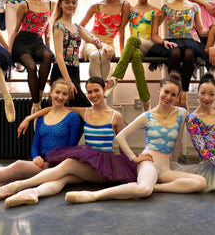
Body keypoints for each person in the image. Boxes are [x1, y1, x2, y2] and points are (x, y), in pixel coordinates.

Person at [0, 77, 139, 208]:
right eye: (90, 92)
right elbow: (54, 108)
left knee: (67, 164)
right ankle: (33, 193)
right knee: (63, 178)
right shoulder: (85, 111)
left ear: (104, 89)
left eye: (96, 90)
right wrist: (29, 118)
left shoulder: (115, 116)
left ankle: (20, 185)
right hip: (87, 162)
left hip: (104, 165)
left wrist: (132, 160)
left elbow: (122, 141)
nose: (93, 95)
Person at [62, 73, 207, 204]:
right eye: (166, 92)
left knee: (201, 183)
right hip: (148, 162)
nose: (168, 97)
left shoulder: (182, 113)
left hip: (165, 169)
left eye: (173, 95)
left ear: (177, 96)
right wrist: (133, 158)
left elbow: (178, 141)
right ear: (159, 90)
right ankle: (94, 195)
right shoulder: (147, 116)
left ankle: (157, 187)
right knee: (144, 190)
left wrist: (174, 162)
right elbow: (121, 136)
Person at [148, 0, 209, 109]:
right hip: (172, 41)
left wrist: (213, 29)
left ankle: (184, 94)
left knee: (188, 54)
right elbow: (154, 33)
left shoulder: (194, 7)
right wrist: (163, 42)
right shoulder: (166, 7)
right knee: (175, 53)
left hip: (188, 41)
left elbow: (201, 30)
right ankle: (175, 91)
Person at [104, 0, 160, 110]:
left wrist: (163, 42)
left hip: (149, 44)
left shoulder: (155, 11)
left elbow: (154, 35)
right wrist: (124, 52)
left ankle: (115, 77)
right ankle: (146, 100)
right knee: (134, 55)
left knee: (132, 39)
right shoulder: (130, 10)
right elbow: (121, 30)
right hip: (135, 47)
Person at [9, 0, 55, 114]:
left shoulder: (51, 4)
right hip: (22, 42)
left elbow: (47, 30)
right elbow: (16, 29)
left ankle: (39, 94)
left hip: (37, 41)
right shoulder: (24, 5)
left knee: (48, 55)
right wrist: (10, 51)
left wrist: (49, 46)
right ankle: (36, 104)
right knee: (31, 66)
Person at [50, 0, 102, 107]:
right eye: (67, 2)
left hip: (74, 70)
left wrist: (103, 46)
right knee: (84, 106)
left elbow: (92, 40)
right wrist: (68, 81)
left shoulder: (77, 27)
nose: (71, 5)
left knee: (73, 109)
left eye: (74, 3)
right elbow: (59, 56)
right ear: (60, 4)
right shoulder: (59, 26)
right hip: (62, 71)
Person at [80, 0, 131, 80]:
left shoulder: (125, 5)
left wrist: (122, 53)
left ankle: (99, 90)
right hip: (92, 41)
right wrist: (94, 40)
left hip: (109, 43)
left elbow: (121, 30)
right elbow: (80, 27)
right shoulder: (96, 6)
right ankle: (96, 89)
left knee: (105, 56)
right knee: (94, 55)